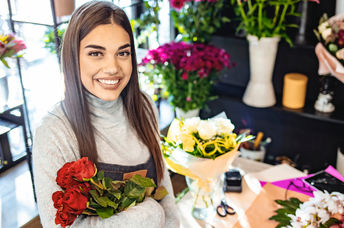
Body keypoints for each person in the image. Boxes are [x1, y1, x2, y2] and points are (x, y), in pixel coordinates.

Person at [32, 1, 180, 227]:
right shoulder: (53, 132)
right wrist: (149, 213)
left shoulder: (145, 105)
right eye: (96, 53)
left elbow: (164, 188)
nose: (113, 67)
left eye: (123, 53)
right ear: (73, 57)